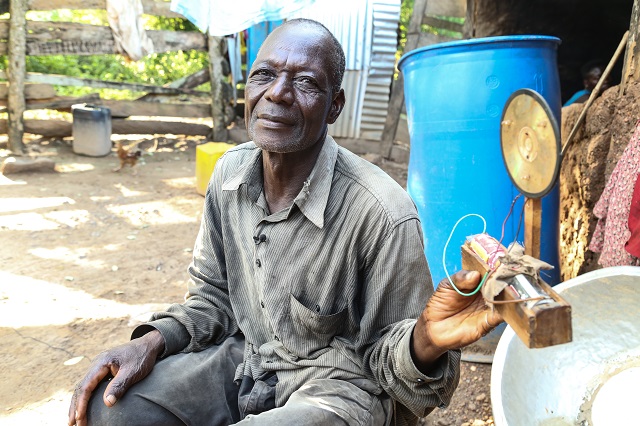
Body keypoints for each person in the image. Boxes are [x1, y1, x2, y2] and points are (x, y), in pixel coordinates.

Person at [68, 18, 502, 426]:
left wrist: (423, 342)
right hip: (249, 361)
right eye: (263, 75)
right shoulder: (228, 177)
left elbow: (404, 389)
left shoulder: (382, 213)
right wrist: (151, 341)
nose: (277, 93)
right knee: (114, 410)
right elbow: (212, 299)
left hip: (341, 389)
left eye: (306, 82)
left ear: (334, 106)